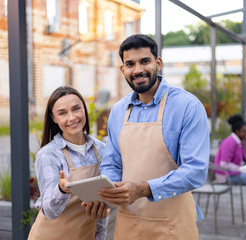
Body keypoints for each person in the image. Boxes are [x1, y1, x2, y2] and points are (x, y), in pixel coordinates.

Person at [84, 34, 210, 239]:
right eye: (130, 64)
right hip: (128, 223)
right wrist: (108, 195)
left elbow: (195, 171)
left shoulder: (187, 106)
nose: (138, 70)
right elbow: (112, 164)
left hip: (173, 225)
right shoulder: (118, 111)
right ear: (122, 69)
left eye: (145, 61)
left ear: (158, 63)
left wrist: (143, 189)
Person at [28, 86, 109, 240]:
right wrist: (61, 190)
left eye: (76, 109)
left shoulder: (102, 150)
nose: (71, 118)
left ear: (84, 110)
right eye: (62, 113)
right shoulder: (48, 155)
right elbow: (49, 211)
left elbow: (102, 207)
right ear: (54, 118)